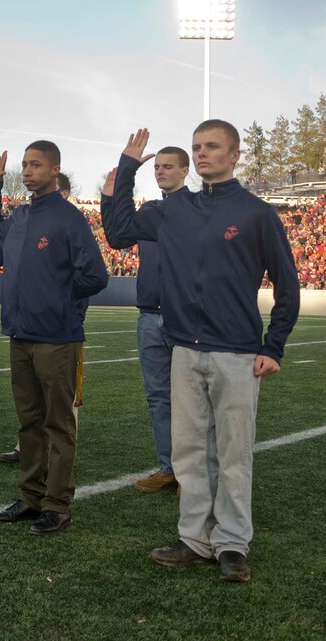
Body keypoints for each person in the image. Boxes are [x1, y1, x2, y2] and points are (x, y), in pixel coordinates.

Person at [104, 124, 299, 582]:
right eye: (197, 147)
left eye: (212, 147)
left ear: (234, 155)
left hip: (236, 351)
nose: (203, 153)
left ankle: (232, 542)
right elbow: (117, 235)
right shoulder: (173, 210)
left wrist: (274, 346)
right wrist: (128, 168)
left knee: (233, 453)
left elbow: (287, 285)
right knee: (189, 452)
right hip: (183, 349)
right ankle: (194, 537)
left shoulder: (256, 213)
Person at [0, 142, 108, 535]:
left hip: (56, 337)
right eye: (24, 164)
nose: (27, 170)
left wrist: (57, 298)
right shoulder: (20, 216)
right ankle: (31, 497)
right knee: (28, 423)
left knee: (58, 425)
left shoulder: (70, 219)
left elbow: (96, 276)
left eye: (35, 164)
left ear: (55, 169)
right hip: (20, 335)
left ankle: (58, 505)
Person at [100, 146, 190, 493]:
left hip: (185, 318)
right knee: (158, 397)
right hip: (150, 317)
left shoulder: (196, 209)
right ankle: (169, 468)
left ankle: (193, 471)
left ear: (185, 171)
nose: (161, 171)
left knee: (194, 399)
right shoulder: (152, 210)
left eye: (169, 166)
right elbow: (117, 236)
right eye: (158, 167)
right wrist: (115, 189)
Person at [0, 172, 86, 464]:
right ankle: (27, 448)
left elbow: (86, 277)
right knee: (31, 403)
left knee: (60, 402)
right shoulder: (27, 222)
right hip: (29, 327)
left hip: (60, 327)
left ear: (66, 194)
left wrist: (67, 310)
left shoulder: (71, 223)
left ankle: (58, 457)